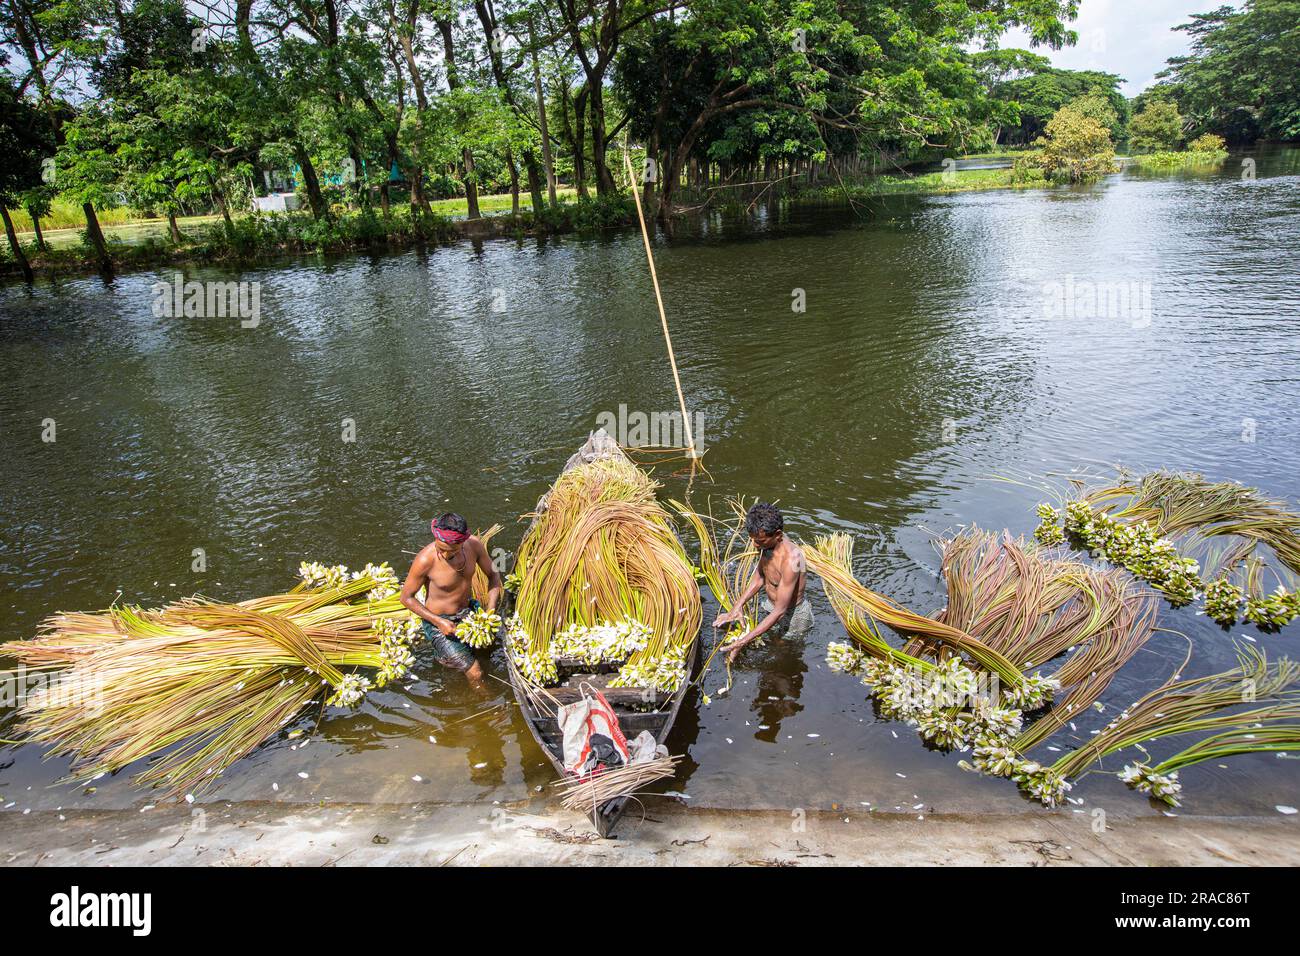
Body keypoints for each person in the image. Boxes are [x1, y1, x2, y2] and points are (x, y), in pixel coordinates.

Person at [400, 512, 503, 685]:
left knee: (487, 651)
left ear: (463, 541)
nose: (445, 555)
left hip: (468, 612)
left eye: (452, 551)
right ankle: (486, 707)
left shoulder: (475, 546)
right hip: (440, 622)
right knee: (475, 673)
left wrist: (490, 611)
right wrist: (439, 622)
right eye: (441, 549)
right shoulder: (425, 560)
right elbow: (406, 598)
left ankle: (450, 664)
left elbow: (494, 575)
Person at [712, 502, 813, 664]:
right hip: (771, 607)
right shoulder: (767, 544)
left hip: (793, 615)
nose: (755, 545)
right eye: (752, 540)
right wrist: (736, 608)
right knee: (770, 642)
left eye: (760, 541)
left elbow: (780, 610)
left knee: (783, 654)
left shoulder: (792, 560)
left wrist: (743, 641)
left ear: (778, 535)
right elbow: (759, 577)